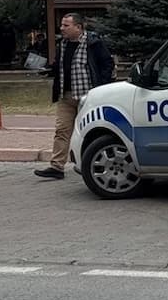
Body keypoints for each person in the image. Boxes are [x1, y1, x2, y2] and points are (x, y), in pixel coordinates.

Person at [34, 13, 115, 179]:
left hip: (88, 97)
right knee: (62, 130)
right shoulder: (62, 44)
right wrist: (49, 70)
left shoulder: (93, 43)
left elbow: (107, 64)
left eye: (66, 25)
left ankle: (92, 165)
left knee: (91, 131)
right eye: (62, 25)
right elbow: (60, 66)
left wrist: (101, 88)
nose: (61, 28)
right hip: (66, 95)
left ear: (78, 27)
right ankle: (57, 167)